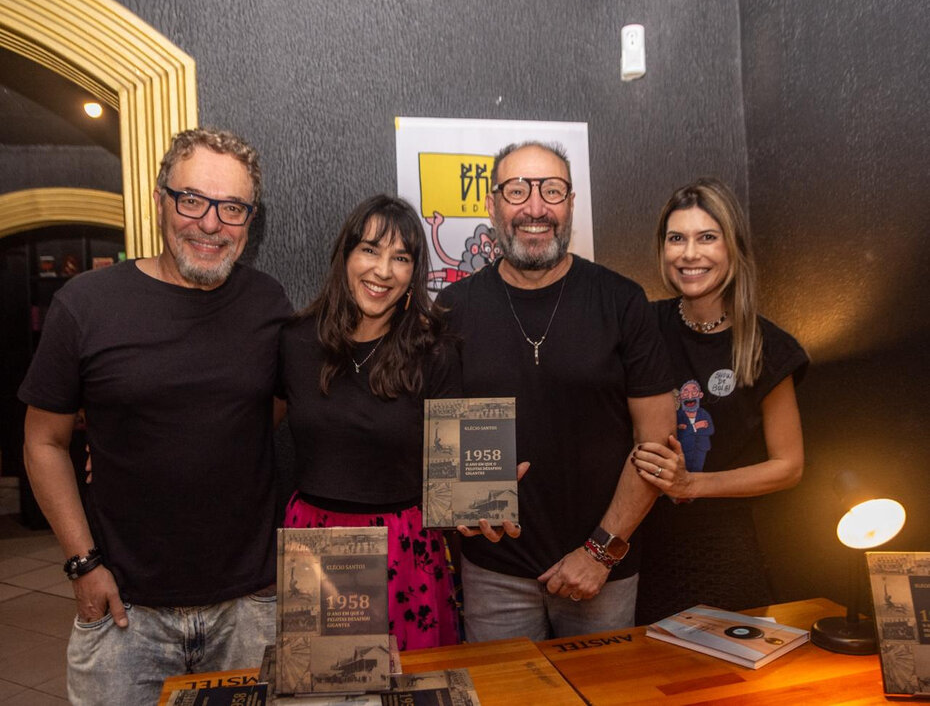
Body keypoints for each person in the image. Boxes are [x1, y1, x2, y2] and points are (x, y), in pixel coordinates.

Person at [18, 128, 292, 704]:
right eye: (192, 200)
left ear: (251, 218)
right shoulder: (86, 304)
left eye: (232, 208)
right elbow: (43, 443)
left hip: (250, 607)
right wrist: (83, 564)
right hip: (124, 610)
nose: (211, 224)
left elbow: (273, 413)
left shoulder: (268, 303)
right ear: (160, 198)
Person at [435, 141, 676, 641]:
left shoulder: (622, 300)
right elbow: (447, 433)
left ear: (570, 204)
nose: (535, 207)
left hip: (601, 571)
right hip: (493, 573)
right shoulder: (455, 306)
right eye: (518, 190)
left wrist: (599, 552)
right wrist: (465, 504)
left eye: (552, 190)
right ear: (492, 204)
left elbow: (656, 446)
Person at [280, 194, 513, 650]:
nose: (383, 271)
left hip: (403, 548)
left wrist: (487, 496)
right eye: (369, 250)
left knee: (412, 688)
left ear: (413, 273)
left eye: (400, 257)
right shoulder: (294, 341)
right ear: (344, 256)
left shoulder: (436, 350)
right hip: (315, 541)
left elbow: (462, 478)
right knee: (326, 694)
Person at [633, 177, 807, 624]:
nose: (690, 253)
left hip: (722, 552)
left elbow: (788, 466)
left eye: (707, 237)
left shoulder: (766, 346)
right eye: (677, 238)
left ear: (732, 247)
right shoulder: (642, 326)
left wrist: (692, 485)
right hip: (639, 548)